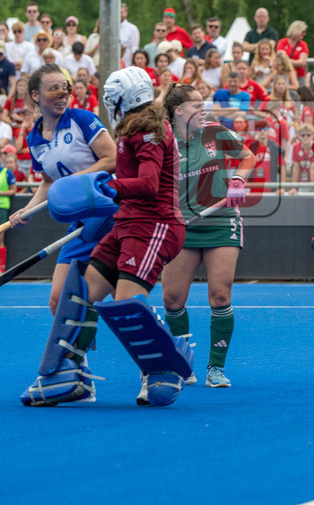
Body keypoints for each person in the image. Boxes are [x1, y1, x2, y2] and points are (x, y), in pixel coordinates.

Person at [22, 66, 189, 407]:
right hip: (127, 224)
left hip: (153, 225)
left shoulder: (149, 133)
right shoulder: (134, 130)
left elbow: (148, 185)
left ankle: (164, 368)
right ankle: (70, 375)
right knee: (82, 294)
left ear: (121, 101)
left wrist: (107, 187)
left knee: (126, 303)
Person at [159, 84, 254, 388]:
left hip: (220, 222)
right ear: (177, 111)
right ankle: (182, 363)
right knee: (172, 299)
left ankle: (216, 368)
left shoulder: (214, 132)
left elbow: (247, 157)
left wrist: (238, 179)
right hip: (181, 227)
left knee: (220, 295)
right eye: (197, 105)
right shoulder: (162, 141)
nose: (204, 110)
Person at [10, 64, 117, 312]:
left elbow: (112, 160)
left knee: (100, 296)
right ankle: (77, 351)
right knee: (59, 301)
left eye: (64, 88)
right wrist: (27, 210)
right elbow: (48, 181)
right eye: (53, 89)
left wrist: (72, 182)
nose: (62, 94)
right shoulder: (34, 140)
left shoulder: (82, 119)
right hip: (81, 222)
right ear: (36, 95)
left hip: (107, 212)